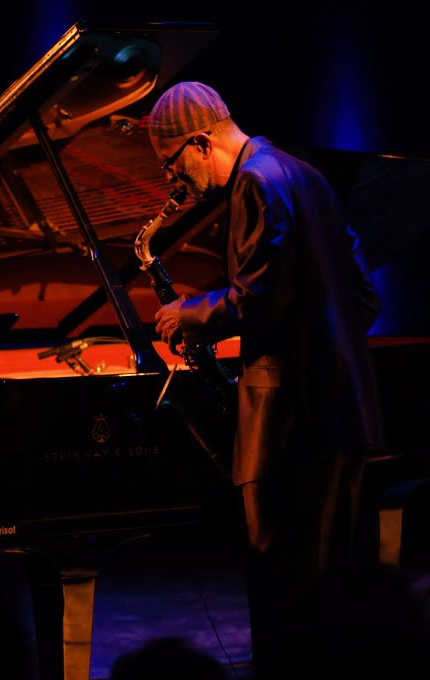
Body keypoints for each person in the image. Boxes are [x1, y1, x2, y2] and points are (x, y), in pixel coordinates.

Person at [147, 82, 384, 679]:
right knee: (341, 597)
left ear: (200, 143)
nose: (177, 183)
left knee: (286, 595)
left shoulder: (254, 182)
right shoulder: (305, 174)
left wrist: (190, 313)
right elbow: (364, 298)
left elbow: (260, 300)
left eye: (173, 165)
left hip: (289, 426)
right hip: (343, 410)